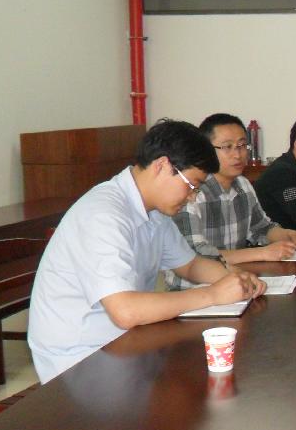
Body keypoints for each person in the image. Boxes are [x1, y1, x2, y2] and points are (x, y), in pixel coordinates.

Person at [28, 119, 266, 383]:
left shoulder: (154, 211)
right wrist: (213, 294)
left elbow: (190, 265)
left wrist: (234, 277)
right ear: (162, 165)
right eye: (192, 186)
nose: (192, 197)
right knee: (193, 387)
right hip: (80, 359)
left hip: (124, 341)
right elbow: (125, 311)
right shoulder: (104, 214)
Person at [164, 113, 296, 290]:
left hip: (234, 283)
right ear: (206, 150)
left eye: (242, 145)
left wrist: (292, 236)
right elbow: (196, 255)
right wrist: (261, 253)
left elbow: (261, 228)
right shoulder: (191, 191)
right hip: (192, 290)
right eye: (227, 147)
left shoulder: (243, 185)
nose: (238, 154)